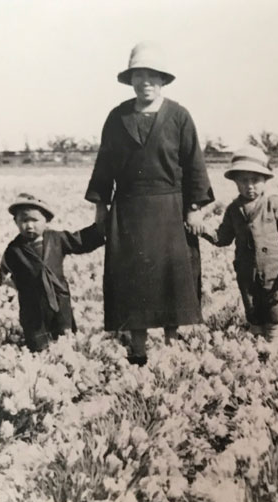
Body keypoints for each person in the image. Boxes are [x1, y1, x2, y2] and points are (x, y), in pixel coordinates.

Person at [84, 41, 214, 365]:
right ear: (130, 80)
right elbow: (104, 165)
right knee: (132, 283)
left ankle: (172, 352)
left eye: (152, 75)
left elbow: (193, 163)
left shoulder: (179, 116)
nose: (145, 82)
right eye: (139, 75)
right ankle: (137, 351)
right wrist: (101, 207)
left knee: (172, 281)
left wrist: (194, 209)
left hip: (170, 210)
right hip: (128, 211)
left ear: (163, 80)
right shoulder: (117, 118)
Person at [201, 146, 278, 350]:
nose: (249, 186)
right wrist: (204, 231)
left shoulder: (274, 205)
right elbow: (223, 237)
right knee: (253, 311)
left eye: (255, 180)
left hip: (274, 272)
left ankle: (275, 350)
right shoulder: (234, 209)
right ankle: (258, 351)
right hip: (247, 272)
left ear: (265, 180)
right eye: (243, 180)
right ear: (235, 181)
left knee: (275, 311)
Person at [0, 193, 105, 352]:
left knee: (65, 338)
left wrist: (101, 225)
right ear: (15, 222)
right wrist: (10, 286)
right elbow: (4, 276)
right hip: (32, 306)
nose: (29, 226)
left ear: (46, 221)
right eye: (23, 221)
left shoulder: (57, 238)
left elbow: (81, 241)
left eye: (35, 220)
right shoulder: (14, 249)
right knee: (38, 344)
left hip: (59, 299)